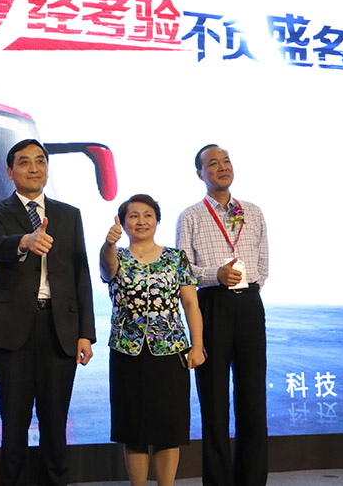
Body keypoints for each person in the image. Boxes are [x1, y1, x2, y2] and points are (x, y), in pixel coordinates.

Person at [0, 139, 95, 486]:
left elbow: (80, 273)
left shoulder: (68, 214)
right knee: (14, 422)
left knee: (55, 422)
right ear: (10, 171)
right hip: (11, 330)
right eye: (24, 162)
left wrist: (85, 333)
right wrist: (23, 241)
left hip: (60, 328)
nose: (34, 168)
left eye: (40, 161)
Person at [176, 144, 269, 486]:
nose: (222, 167)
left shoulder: (253, 212)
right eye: (213, 163)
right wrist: (215, 275)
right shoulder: (191, 216)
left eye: (226, 161)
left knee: (253, 400)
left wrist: (248, 286)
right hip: (211, 306)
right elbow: (183, 269)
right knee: (214, 402)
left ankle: (252, 479)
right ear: (200, 173)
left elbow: (263, 264)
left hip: (249, 305)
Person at [99, 194, 206, 486]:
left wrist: (197, 346)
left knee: (168, 429)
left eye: (148, 215)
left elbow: (190, 304)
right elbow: (106, 268)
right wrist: (108, 243)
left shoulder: (176, 258)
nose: (141, 221)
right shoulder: (117, 256)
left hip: (170, 352)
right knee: (132, 429)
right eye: (133, 216)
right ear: (123, 223)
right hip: (127, 352)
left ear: (157, 220)